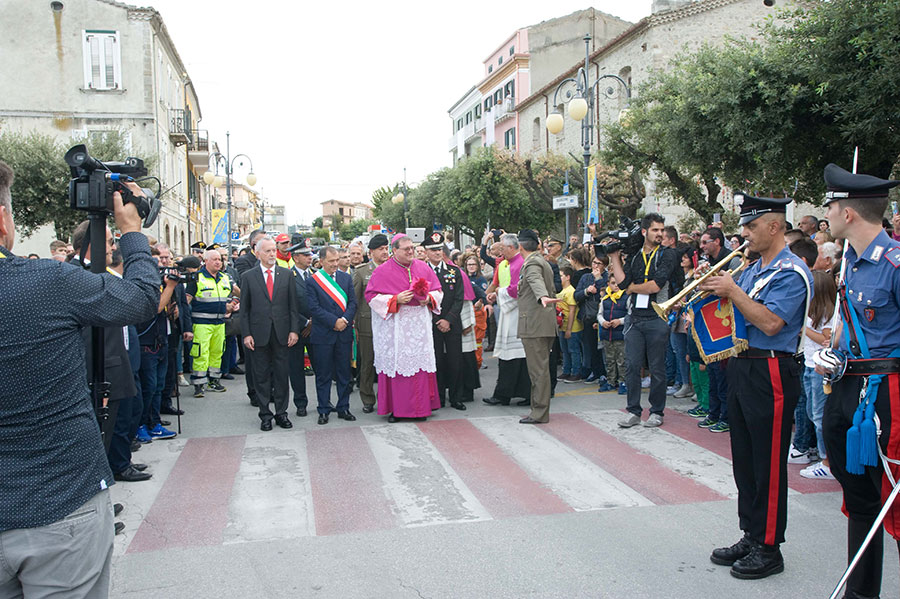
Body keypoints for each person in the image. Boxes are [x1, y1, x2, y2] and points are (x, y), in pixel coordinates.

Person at [0, 161, 159, 597]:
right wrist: (131, 229)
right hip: (59, 502)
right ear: (2, 219)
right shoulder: (46, 282)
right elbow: (142, 299)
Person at [701, 193, 812, 580]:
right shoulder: (752, 269)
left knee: (767, 462)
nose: (744, 234)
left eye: (750, 226)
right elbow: (732, 311)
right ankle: (750, 533)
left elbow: (770, 323)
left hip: (772, 370)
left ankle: (770, 546)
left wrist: (732, 291)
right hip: (742, 366)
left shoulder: (791, 271)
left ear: (774, 226)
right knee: (746, 458)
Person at [814, 163, 900, 598]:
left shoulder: (895, 263)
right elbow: (848, 328)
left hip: (890, 399)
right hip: (848, 390)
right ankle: (861, 593)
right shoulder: (847, 263)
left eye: (830, 204)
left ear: (848, 213)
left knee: (897, 506)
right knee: (861, 502)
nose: (824, 212)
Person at [607, 213, 676, 428]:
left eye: (662, 230)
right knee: (632, 365)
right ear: (645, 232)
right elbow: (622, 282)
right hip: (634, 319)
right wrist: (615, 257)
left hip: (657, 316)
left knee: (657, 368)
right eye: (656, 230)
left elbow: (656, 285)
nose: (660, 234)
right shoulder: (636, 256)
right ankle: (633, 411)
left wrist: (632, 288)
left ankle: (657, 412)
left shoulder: (667, 254)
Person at [365, 234, 443, 421]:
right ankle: (397, 410)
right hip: (395, 327)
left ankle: (421, 409)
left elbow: (438, 291)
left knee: (419, 369)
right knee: (397, 368)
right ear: (394, 251)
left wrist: (429, 299)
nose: (411, 252)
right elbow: (372, 298)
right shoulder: (382, 271)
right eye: (406, 249)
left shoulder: (422, 266)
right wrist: (395, 299)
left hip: (419, 327)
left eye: (412, 248)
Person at [241, 238, 302, 431]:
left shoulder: (286, 275)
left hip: (282, 333)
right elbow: (245, 310)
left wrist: (294, 330)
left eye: (274, 250)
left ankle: (281, 413)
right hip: (258, 334)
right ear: (258, 253)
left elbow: (293, 306)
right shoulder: (249, 277)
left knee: (282, 375)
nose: (272, 254)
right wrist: (246, 334)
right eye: (267, 251)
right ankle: (265, 414)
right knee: (261, 376)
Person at [307, 246, 357, 424]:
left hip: (343, 333)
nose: (335, 264)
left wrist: (344, 319)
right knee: (323, 374)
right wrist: (333, 321)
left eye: (337, 261)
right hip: (323, 335)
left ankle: (344, 407)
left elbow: (352, 302)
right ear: (321, 262)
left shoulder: (345, 278)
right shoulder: (313, 281)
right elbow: (313, 307)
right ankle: (323, 409)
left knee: (344, 373)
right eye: (331, 261)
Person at [516, 229, 560, 424]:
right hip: (541, 323)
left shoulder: (532, 262)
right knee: (540, 369)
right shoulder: (542, 260)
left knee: (538, 371)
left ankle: (539, 412)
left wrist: (542, 296)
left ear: (520, 246)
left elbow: (534, 280)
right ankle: (538, 410)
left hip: (535, 324)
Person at [483, 234, 532, 407]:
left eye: (502, 249)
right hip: (511, 312)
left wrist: (497, 294)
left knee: (513, 356)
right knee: (517, 356)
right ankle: (521, 393)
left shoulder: (518, 264)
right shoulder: (508, 263)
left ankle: (504, 394)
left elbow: (515, 291)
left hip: (515, 314)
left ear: (511, 248)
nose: (500, 252)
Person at [798, 270, 836, 480]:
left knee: (820, 415)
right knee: (812, 413)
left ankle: (827, 461)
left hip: (820, 368)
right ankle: (820, 454)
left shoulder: (828, 313)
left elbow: (826, 338)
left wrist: (803, 328)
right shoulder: (812, 310)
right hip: (809, 364)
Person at [186, 249, 240, 397]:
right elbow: (186, 301)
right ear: (206, 261)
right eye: (215, 259)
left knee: (217, 352)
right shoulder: (196, 278)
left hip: (219, 323)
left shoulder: (225, 278)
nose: (218, 262)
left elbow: (239, 293)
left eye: (220, 259)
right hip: (201, 323)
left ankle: (214, 381)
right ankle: (198, 384)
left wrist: (234, 303)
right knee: (201, 354)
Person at [423, 233, 466, 410]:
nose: (437, 252)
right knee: (436, 361)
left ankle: (456, 397)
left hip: (452, 323)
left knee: (455, 361)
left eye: (440, 249)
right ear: (426, 252)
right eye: (433, 250)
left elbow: (458, 298)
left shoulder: (453, 271)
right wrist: (437, 320)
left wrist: (448, 320)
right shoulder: (421, 272)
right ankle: (438, 397)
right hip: (431, 323)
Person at [353, 234, 389, 413]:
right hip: (368, 324)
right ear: (371, 252)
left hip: (389, 323)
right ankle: (367, 398)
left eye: (386, 248)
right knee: (367, 363)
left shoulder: (393, 269)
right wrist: (355, 325)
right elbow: (355, 300)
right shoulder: (361, 272)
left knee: (388, 362)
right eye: (380, 249)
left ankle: (387, 397)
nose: (385, 252)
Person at [288, 240, 315, 416]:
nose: (309, 258)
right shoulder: (287, 277)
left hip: (315, 329)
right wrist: (304, 323)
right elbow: (286, 306)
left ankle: (324, 401)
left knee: (321, 366)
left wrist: (313, 322)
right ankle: (300, 403)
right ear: (296, 257)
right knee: (296, 369)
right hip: (296, 330)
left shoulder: (315, 275)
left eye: (310, 254)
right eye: (305, 255)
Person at [598, 277, 627, 393]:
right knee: (610, 360)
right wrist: (603, 322)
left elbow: (630, 315)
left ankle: (623, 382)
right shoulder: (605, 299)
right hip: (607, 333)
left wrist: (620, 321)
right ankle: (611, 381)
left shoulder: (626, 298)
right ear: (608, 284)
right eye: (613, 283)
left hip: (620, 334)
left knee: (622, 360)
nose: (616, 286)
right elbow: (599, 314)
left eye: (618, 283)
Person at [556, 266, 583, 383]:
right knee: (565, 350)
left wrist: (569, 329)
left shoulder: (571, 291)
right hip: (562, 325)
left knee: (573, 350)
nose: (559, 278)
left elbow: (572, 310)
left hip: (572, 327)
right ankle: (566, 370)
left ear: (568, 277)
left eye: (561, 276)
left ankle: (576, 372)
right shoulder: (560, 291)